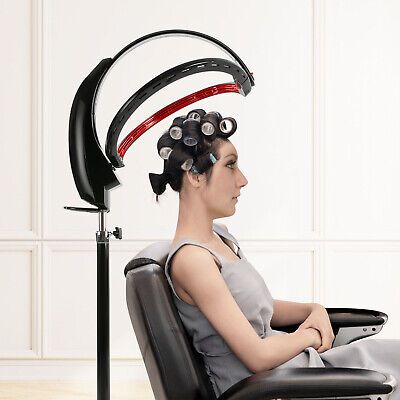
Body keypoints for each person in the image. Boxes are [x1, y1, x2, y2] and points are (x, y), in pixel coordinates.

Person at [149, 109, 399, 398]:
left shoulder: (219, 238)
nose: (242, 180)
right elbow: (257, 357)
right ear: (194, 176)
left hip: (299, 370)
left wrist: (312, 309)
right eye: (230, 166)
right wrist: (308, 335)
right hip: (280, 387)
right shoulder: (193, 260)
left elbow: (256, 307)